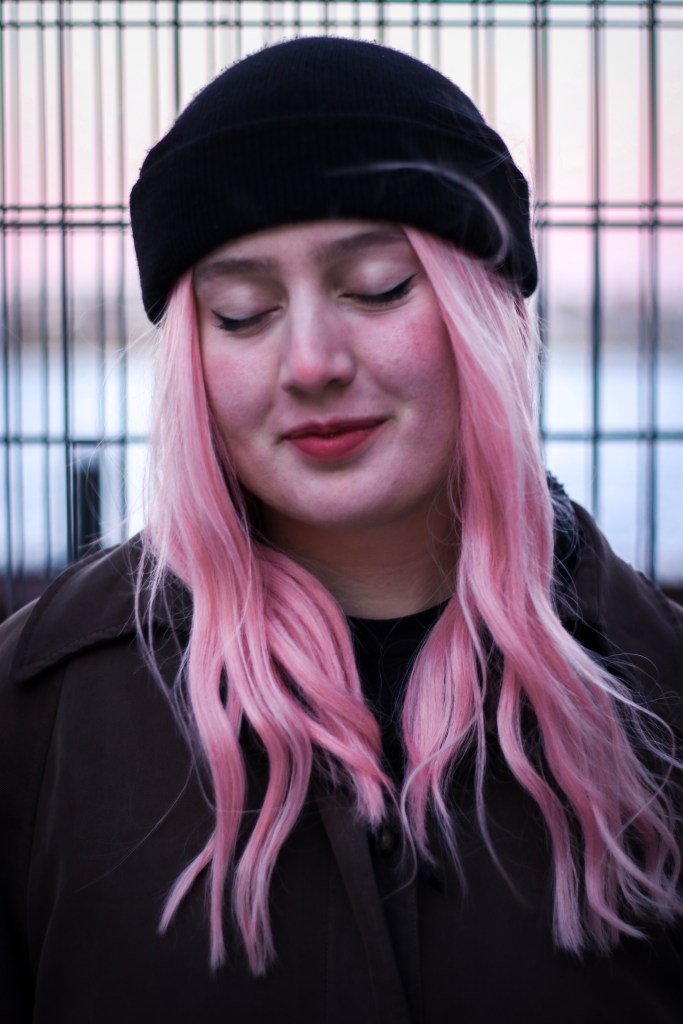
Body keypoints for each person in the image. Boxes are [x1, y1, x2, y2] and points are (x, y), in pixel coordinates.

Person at [1, 36, 682, 1024]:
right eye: (242, 312)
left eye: (376, 286)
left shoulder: (659, 692)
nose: (311, 361)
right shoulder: (36, 714)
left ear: (484, 313)